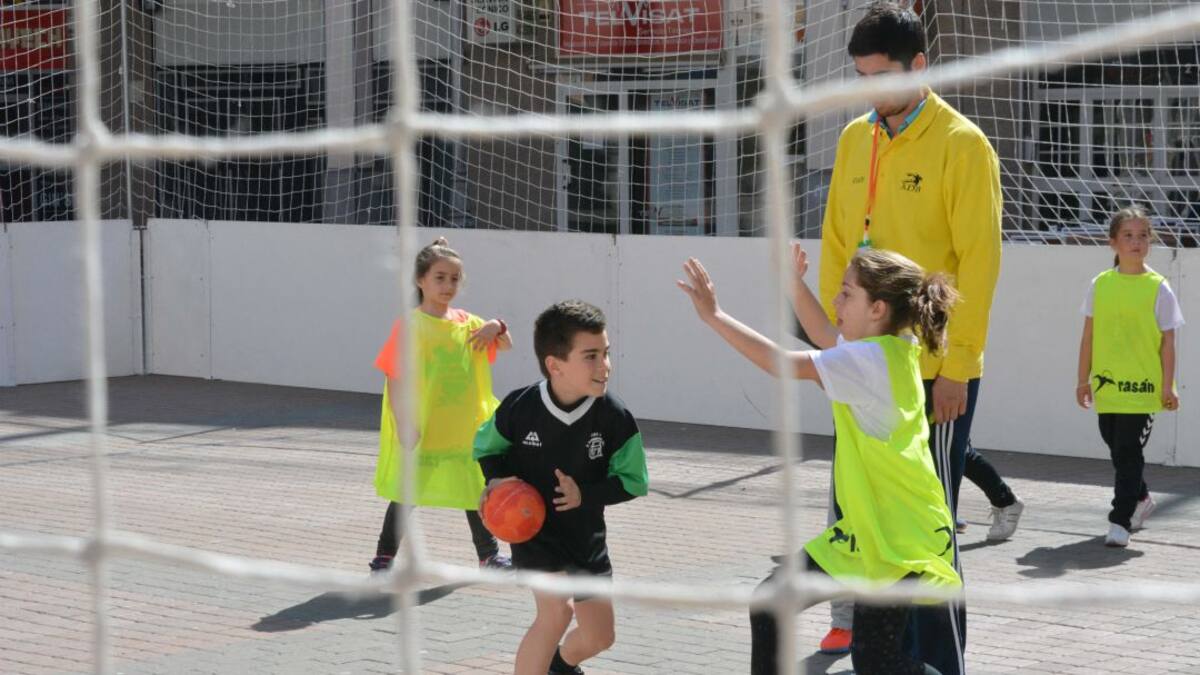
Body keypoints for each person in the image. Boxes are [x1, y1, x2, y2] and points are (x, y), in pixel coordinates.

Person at [812, 2, 1015, 665]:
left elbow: (979, 265)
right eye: (861, 77)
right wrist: (836, 348)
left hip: (932, 374)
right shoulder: (853, 139)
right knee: (872, 525)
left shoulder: (963, 144)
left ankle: (940, 664)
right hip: (864, 368)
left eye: (883, 75)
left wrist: (958, 365)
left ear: (919, 64)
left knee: (929, 533)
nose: (871, 89)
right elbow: (837, 245)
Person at [678, 244, 962, 675]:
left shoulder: (867, 361)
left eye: (847, 293)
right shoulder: (890, 349)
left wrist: (714, 315)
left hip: (900, 538)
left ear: (878, 309)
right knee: (846, 645)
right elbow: (825, 334)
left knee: (873, 659)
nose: (836, 301)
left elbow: (781, 363)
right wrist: (795, 284)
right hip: (873, 531)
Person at [474, 300, 649, 675]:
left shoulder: (615, 418)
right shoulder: (520, 407)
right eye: (591, 356)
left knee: (600, 637)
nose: (604, 365)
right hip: (533, 532)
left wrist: (586, 495)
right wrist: (496, 480)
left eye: (605, 353)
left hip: (584, 536)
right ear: (555, 365)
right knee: (556, 613)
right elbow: (486, 448)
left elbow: (634, 482)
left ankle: (561, 665)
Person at [368, 237, 514, 573]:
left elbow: (506, 345)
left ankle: (488, 556)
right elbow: (395, 376)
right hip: (428, 427)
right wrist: (404, 421)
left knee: (475, 490)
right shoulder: (411, 325)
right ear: (421, 280)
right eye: (440, 277)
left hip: (465, 429)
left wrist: (496, 326)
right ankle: (384, 557)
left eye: (454, 278)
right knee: (407, 493)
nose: (448, 285)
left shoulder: (469, 323)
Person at [1075, 206, 1183, 548]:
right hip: (1108, 386)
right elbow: (1088, 336)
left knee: (1127, 449)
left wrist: (1167, 386)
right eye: (1128, 236)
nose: (1136, 242)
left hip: (1144, 389)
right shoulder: (1100, 284)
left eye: (1142, 236)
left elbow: (1168, 341)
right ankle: (1141, 497)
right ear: (1113, 243)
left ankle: (1120, 521)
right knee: (1117, 447)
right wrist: (1082, 379)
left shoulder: (1159, 287)